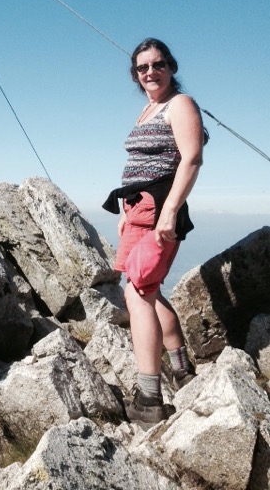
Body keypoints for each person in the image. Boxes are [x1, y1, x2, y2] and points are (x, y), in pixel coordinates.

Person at [103, 37, 207, 425]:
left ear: (171, 66)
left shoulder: (180, 104)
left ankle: (149, 399)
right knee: (145, 288)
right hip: (138, 210)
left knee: (138, 293)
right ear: (135, 74)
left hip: (160, 209)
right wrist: (126, 211)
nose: (150, 71)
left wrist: (170, 212)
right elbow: (140, 164)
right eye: (142, 67)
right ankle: (181, 369)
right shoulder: (149, 110)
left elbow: (191, 158)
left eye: (158, 64)